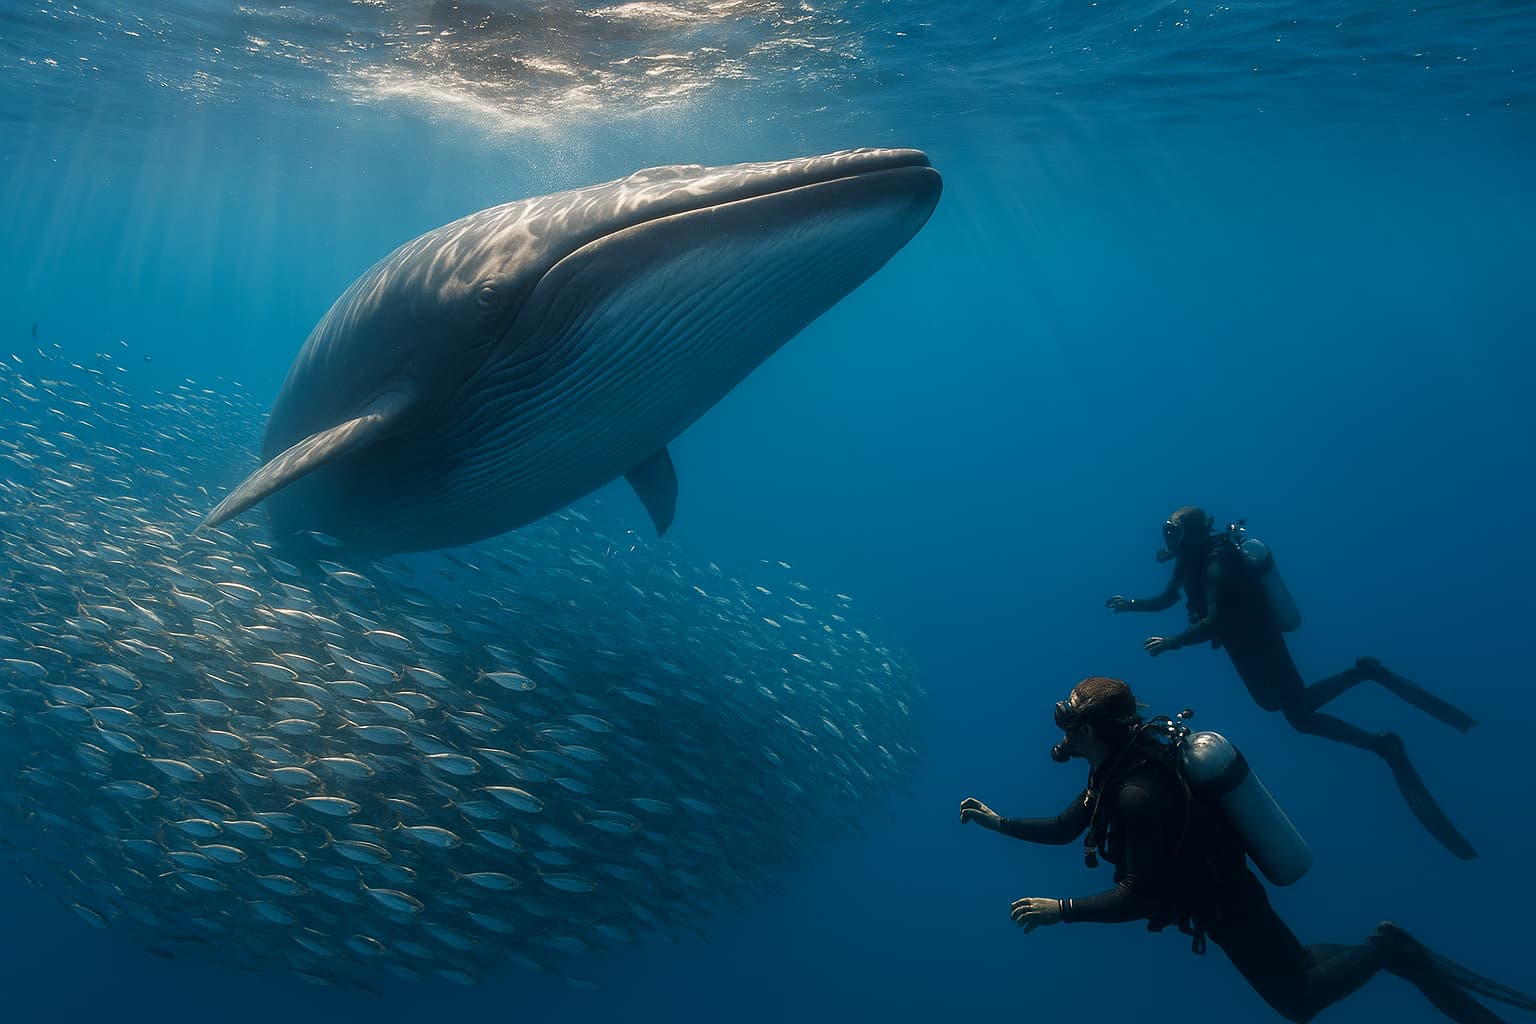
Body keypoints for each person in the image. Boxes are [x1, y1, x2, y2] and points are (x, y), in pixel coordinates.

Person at [959, 676, 1534, 1023]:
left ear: (1092, 732)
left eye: (1070, 724)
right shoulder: (1116, 770)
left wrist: (1060, 910)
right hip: (1229, 898)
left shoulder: (1135, 791)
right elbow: (1066, 826)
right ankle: (1390, 947)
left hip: (1225, 906)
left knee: (1299, 1001)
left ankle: (1387, 948)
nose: (1063, 736)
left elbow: (1140, 894)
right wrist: (997, 822)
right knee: (1300, 967)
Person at [1105, 505, 1478, 859]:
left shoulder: (1218, 563)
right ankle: (1369, 696)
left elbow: (1216, 620)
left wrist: (1174, 642)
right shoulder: (1190, 557)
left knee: (1297, 715)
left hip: (1261, 642)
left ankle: (1377, 723)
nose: (1168, 538)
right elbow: (1170, 597)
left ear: (1191, 533)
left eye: (1174, 531)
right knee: (1284, 708)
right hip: (1242, 646)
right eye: (1167, 531)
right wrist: (1132, 603)